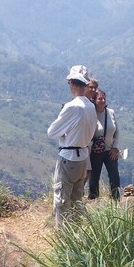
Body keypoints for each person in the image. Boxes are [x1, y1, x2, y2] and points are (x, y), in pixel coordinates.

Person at [47, 65, 98, 228]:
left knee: (62, 200)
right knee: (77, 199)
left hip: (68, 158)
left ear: (72, 83)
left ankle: (63, 237)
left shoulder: (72, 106)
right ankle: (76, 233)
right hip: (83, 157)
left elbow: (52, 132)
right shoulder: (91, 106)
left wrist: (65, 133)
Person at [87, 90, 121, 201]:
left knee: (114, 175)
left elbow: (117, 131)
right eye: (99, 99)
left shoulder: (111, 113)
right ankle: (93, 199)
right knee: (94, 176)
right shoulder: (91, 114)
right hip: (96, 151)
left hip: (110, 150)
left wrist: (115, 147)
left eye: (104, 98)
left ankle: (116, 198)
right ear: (94, 100)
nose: (102, 101)